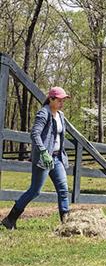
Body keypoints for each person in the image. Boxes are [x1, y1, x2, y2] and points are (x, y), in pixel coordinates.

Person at [1, 87, 71, 230]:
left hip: (57, 158)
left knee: (63, 190)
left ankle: (67, 225)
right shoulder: (43, 113)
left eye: (63, 100)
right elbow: (35, 134)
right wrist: (44, 152)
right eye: (59, 100)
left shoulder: (61, 115)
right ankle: (10, 219)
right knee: (35, 191)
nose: (62, 103)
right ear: (51, 99)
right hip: (44, 158)